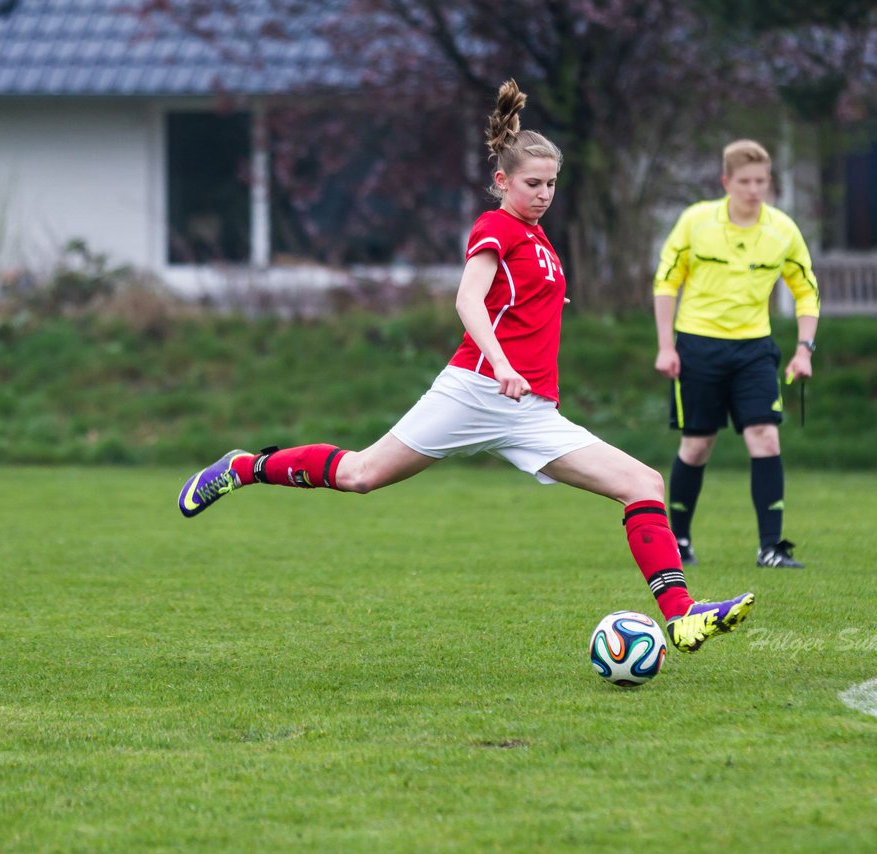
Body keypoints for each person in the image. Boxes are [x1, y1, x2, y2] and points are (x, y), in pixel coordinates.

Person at [178, 80, 753, 653]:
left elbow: (520, 295)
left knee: (642, 483)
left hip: (530, 412)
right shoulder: (495, 226)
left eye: (551, 183)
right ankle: (245, 467)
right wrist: (501, 363)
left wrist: (546, 303)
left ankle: (680, 616)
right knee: (360, 475)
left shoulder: (538, 237)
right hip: (475, 391)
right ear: (503, 181)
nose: (545, 193)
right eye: (533, 183)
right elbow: (468, 300)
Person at [652, 139, 819, 570]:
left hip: (754, 348)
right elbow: (666, 283)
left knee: (765, 436)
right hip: (697, 345)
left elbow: (806, 291)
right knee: (697, 445)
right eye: (744, 181)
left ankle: (771, 547)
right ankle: (680, 541)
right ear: (726, 182)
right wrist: (666, 347)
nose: (753, 189)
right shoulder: (695, 223)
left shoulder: (782, 230)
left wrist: (804, 350)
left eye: (761, 181)